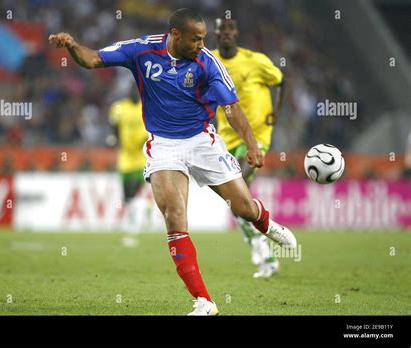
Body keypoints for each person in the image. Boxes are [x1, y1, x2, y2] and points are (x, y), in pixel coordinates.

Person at [49, 8, 296, 316]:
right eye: (196, 39)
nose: (202, 44)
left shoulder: (208, 63)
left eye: (204, 38)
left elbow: (231, 109)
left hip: (202, 140)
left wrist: (251, 146)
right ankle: (204, 301)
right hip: (164, 145)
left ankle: (268, 225)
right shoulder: (142, 49)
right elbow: (94, 59)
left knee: (243, 208)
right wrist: (72, 45)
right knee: (174, 215)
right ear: (175, 35)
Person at [212, 18, 286, 278]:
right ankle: (259, 245)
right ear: (216, 35)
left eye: (230, 30)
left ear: (236, 33)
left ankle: (262, 249)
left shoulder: (256, 60)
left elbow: (280, 81)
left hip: (258, 137)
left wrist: (276, 112)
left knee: (240, 184)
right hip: (225, 139)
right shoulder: (209, 61)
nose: (226, 35)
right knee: (236, 200)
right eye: (221, 31)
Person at [109, 82, 149, 247]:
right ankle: (139, 215)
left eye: (136, 90)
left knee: (133, 188)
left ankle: (133, 226)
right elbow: (114, 126)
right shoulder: (118, 107)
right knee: (127, 195)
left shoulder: (146, 107)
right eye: (131, 89)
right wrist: (113, 139)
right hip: (125, 156)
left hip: (141, 157)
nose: (134, 93)